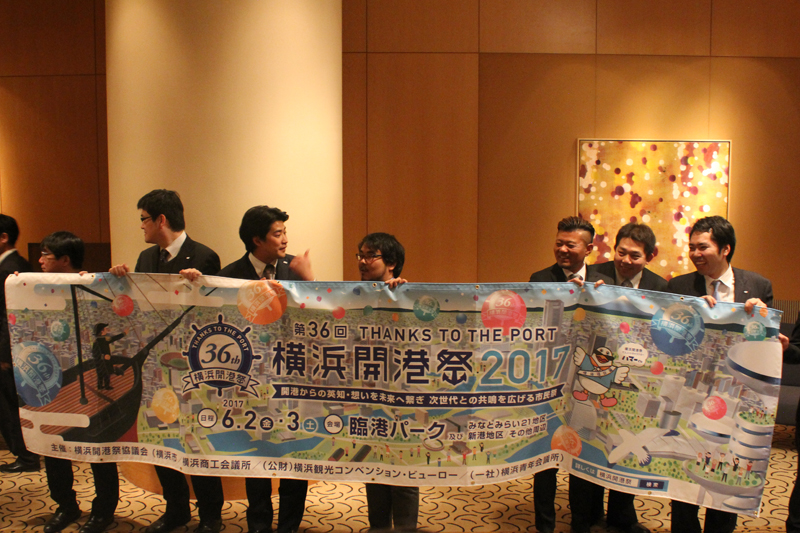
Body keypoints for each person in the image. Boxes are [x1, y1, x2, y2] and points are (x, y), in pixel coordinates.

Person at [183, 205, 313, 533]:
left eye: (285, 232)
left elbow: (315, 318)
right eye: (278, 233)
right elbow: (209, 316)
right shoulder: (230, 275)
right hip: (250, 382)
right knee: (256, 455)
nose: (285, 239)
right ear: (257, 239)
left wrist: (310, 280)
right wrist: (196, 284)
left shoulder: (295, 268)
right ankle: (258, 523)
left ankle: (289, 525)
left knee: (294, 453)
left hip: (291, 376)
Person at [109, 189, 222, 533]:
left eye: (144, 219)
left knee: (197, 441)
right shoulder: (146, 258)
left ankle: (210, 516)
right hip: (155, 368)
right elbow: (138, 308)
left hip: (192, 368)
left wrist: (200, 285)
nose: (141, 226)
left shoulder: (204, 256)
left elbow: (215, 310)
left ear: (161, 220)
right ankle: (176, 509)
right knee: (161, 439)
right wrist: (120, 280)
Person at [667, 216, 772, 533]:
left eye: (703, 247)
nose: (695, 254)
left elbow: (762, 347)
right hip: (692, 395)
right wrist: (688, 314)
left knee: (727, 474)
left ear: (725, 249)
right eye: (691, 248)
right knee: (684, 477)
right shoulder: (679, 287)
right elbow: (667, 345)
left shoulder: (758, 286)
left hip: (735, 398)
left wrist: (762, 320)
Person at [570, 223, 663, 533]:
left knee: (624, 447)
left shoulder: (661, 287)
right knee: (588, 444)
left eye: (634, 256)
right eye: (621, 252)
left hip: (633, 378)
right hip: (592, 375)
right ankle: (583, 519)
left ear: (650, 256)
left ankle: (621, 517)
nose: (625, 260)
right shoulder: (595, 275)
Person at [528, 216, 612, 533]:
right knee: (544, 460)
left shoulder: (604, 282)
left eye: (570, 245)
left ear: (588, 249)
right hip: (550, 380)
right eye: (558, 243)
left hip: (587, 384)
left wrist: (600, 297)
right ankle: (545, 526)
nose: (562, 250)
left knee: (584, 456)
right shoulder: (540, 278)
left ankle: (581, 523)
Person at [38, 232, 119, 533]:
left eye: (45, 254)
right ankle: (65, 505)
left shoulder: (93, 288)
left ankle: (104, 510)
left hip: (90, 378)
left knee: (99, 446)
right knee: (55, 444)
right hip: (56, 378)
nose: (40, 260)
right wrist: (18, 285)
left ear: (64, 260)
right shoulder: (36, 288)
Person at [355, 232, 415, 530]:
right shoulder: (355, 295)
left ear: (391, 263)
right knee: (374, 467)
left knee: (404, 470)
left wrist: (404, 293)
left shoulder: (406, 293)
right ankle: (378, 527)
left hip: (402, 397)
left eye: (371, 255)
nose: (363, 261)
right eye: (361, 255)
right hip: (369, 396)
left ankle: (405, 528)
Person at [0, 214, 41, 474]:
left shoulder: (10, 268)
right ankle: (25, 455)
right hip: (13, 349)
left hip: (9, 352)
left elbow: (8, 315)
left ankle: (26, 457)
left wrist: (4, 354)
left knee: (10, 407)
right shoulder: (15, 264)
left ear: (3, 238)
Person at [91, 323, 127, 390]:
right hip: (101, 361)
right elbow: (94, 353)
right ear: (102, 331)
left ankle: (104, 386)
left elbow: (114, 338)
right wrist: (103, 356)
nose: (106, 330)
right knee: (102, 374)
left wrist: (124, 334)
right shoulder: (98, 341)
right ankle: (101, 386)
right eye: (105, 329)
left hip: (105, 361)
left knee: (105, 374)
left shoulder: (103, 339)